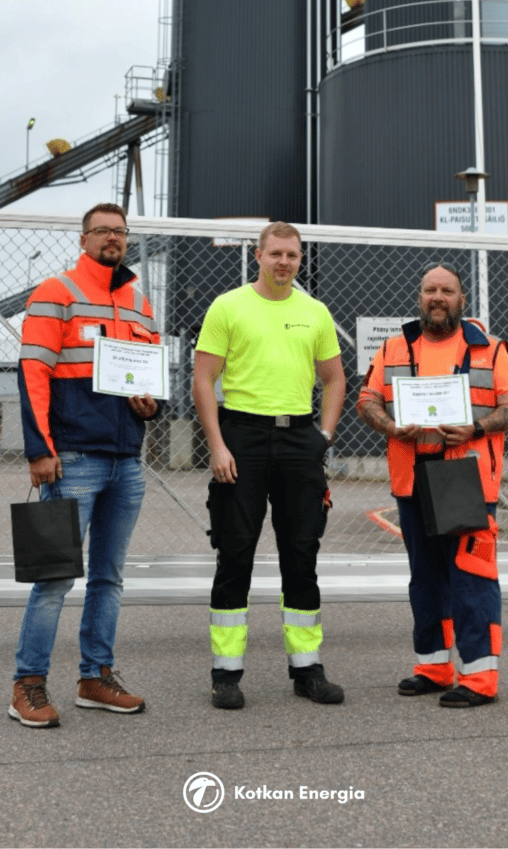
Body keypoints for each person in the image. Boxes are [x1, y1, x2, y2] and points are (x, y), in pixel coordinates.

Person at [9, 203, 160, 728]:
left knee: (109, 578)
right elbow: (33, 370)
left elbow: (151, 379)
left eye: (120, 231)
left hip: (126, 461)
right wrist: (39, 448)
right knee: (55, 579)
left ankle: (95, 677)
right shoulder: (57, 292)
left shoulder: (140, 303)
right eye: (102, 231)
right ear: (83, 239)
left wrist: (152, 406)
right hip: (72, 457)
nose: (112, 238)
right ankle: (27, 684)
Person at [356, 264, 508, 707]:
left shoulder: (489, 350)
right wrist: (391, 427)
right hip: (412, 478)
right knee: (426, 579)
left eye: (447, 290)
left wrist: (476, 427)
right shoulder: (394, 347)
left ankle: (479, 678)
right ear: (420, 297)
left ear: (461, 299)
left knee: (472, 577)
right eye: (430, 289)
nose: (438, 297)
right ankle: (433, 668)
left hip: (465, 480)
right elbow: (367, 399)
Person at [193, 221, 346, 709]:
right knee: (235, 552)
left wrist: (323, 437)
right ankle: (226, 673)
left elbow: (334, 379)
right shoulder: (228, 307)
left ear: (300, 260)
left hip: (299, 437)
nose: (283, 262)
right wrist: (217, 445)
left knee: (301, 554)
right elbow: (203, 379)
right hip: (243, 435)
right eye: (275, 253)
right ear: (258, 256)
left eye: (292, 255)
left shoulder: (315, 312)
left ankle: (307, 669)